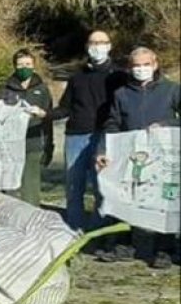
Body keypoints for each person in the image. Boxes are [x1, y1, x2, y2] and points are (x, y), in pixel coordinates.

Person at [95, 47, 180, 268]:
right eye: (136, 66)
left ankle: (165, 250)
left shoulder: (172, 90)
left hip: (163, 156)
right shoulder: (121, 94)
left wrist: (165, 125)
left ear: (155, 64)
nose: (141, 69)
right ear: (129, 68)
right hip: (131, 155)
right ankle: (123, 245)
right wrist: (103, 150)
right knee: (126, 197)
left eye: (145, 65)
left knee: (164, 202)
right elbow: (112, 123)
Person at [52, 30, 126, 231]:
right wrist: (45, 114)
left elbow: (125, 108)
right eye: (93, 42)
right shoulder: (77, 76)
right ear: (87, 47)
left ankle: (98, 231)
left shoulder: (119, 76)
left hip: (104, 136)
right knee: (74, 186)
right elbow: (65, 107)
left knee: (102, 186)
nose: (97, 46)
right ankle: (74, 228)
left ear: (109, 46)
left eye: (102, 42)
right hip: (75, 135)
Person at [0, 49, 55, 206]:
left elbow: (48, 118)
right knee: (11, 189)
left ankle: (32, 221)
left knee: (31, 189)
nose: (24, 67)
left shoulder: (42, 89)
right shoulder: (4, 89)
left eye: (28, 64)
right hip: (10, 146)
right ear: (14, 66)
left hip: (34, 143)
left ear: (34, 66)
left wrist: (49, 145)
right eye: (20, 64)